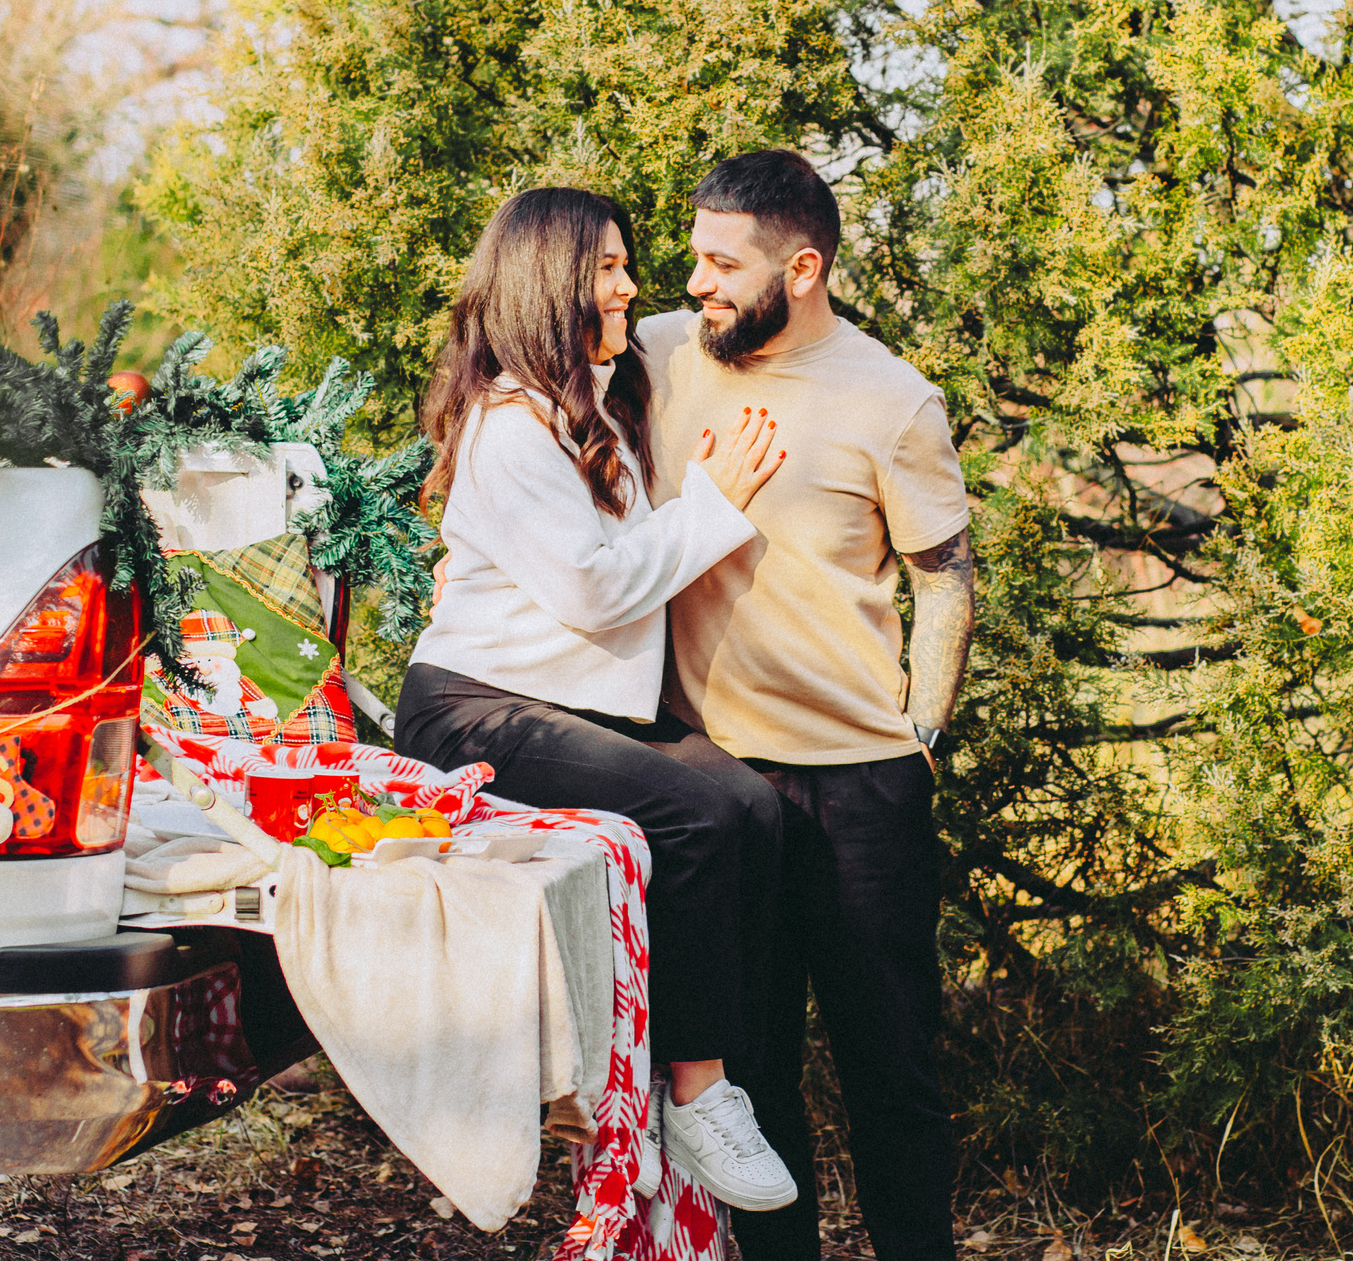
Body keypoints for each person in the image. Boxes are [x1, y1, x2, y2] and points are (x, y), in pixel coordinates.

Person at [394, 185, 800, 1214]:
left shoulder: (595, 403)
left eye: (626, 266)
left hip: (568, 707)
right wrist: (717, 504)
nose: (629, 287)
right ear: (550, 282)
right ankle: (692, 1089)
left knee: (753, 805)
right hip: (475, 710)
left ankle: (719, 1068)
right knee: (698, 813)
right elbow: (598, 586)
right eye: (608, 268)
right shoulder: (506, 429)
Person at [634, 150, 974, 1261]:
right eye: (695, 256)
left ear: (805, 267)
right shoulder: (660, 357)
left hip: (864, 792)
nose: (696, 283)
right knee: (748, 1080)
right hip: (716, 789)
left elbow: (945, 578)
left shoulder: (890, 398)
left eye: (722, 264)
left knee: (893, 1074)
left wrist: (921, 732)